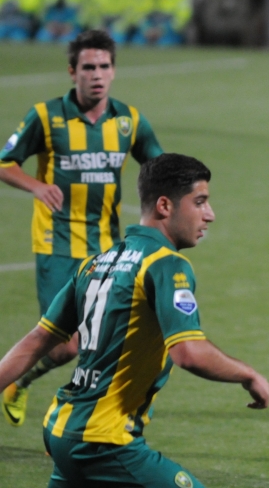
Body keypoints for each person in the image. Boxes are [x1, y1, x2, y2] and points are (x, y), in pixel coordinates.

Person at [0, 153, 269, 488]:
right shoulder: (166, 265)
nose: (209, 214)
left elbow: (36, 342)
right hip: (105, 443)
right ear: (164, 206)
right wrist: (248, 373)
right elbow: (189, 352)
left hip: (64, 431)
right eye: (200, 201)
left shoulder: (96, 263)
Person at [1, 29, 163, 428]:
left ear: (114, 71)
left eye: (104, 66)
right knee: (64, 348)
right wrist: (37, 187)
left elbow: (160, 168)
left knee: (115, 337)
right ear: (72, 71)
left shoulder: (129, 121)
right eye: (88, 67)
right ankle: (19, 382)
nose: (97, 75)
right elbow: (5, 162)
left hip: (107, 249)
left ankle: (100, 416)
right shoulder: (45, 116)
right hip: (56, 245)